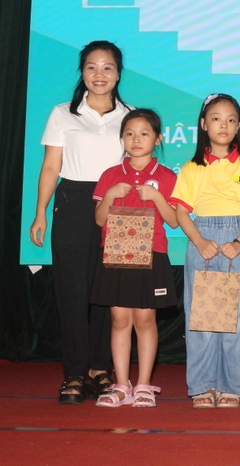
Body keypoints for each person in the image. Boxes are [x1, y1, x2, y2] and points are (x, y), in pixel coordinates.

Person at [30, 40, 129, 404]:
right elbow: (50, 167)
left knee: (107, 290)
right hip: (72, 201)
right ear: (82, 71)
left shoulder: (130, 116)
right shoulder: (62, 113)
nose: (99, 74)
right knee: (71, 291)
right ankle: (74, 373)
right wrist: (40, 212)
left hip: (116, 204)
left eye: (107, 67)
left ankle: (100, 369)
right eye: (91, 67)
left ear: (118, 73)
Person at [171, 94, 240, 409]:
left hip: (237, 243)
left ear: (239, 126)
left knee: (236, 318)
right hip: (202, 242)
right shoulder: (191, 168)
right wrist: (200, 241)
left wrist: (239, 243)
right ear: (203, 124)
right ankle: (202, 386)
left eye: (230, 119)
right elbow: (182, 212)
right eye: (216, 118)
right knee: (201, 318)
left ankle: (231, 386)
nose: (223, 125)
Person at [91, 109, 179, 407]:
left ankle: (143, 384)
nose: (136, 139)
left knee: (144, 319)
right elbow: (99, 220)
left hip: (152, 254)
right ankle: (121, 384)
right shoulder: (110, 175)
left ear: (158, 139)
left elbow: (174, 221)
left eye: (144, 133)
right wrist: (111, 195)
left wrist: (156, 198)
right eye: (129, 133)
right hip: (116, 254)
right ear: (122, 138)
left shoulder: (166, 177)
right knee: (119, 319)